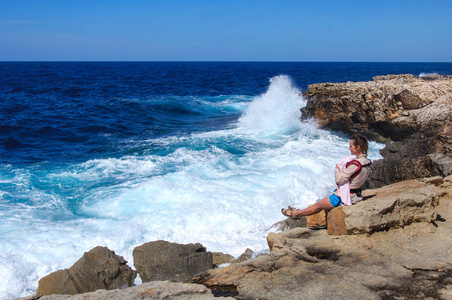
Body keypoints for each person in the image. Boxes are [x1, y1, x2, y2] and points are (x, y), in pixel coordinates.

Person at [281, 134, 372, 219]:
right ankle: (298, 211)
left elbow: (340, 180)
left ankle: (296, 213)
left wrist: (337, 168)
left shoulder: (355, 164)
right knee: (318, 205)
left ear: (358, 147)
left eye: (351, 146)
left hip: (344, 197)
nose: (349, 148)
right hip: (356, 195)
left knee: (317, 206)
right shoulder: (367, 163)